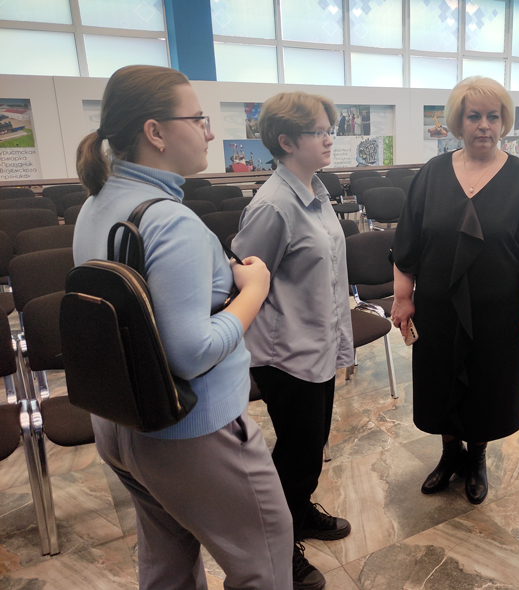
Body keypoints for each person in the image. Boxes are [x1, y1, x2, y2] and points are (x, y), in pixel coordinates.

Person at [73, 65, 293, 590]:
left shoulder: (96, 204)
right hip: (192, 433)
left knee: (167, 564)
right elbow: (190, 353)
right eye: (197, 119)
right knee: (264, 561)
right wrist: (254, 290)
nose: (208, 132)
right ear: (155, 132)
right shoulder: (170, 220)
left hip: (122, 423)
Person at [391, 76, 519, 505]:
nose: (484, 125)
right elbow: (407, 245)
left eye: (493, 117)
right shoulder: (431, 174)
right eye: (474, 116)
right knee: (441, 381)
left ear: (504, 122)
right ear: (457, 122)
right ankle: (450, 454)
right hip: (438, 309)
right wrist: (403, 298)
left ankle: (477, 457)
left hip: (497, 313)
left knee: (486, 385)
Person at [232, 91, 353, 590]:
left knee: (312, 444)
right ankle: (277, 547)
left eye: (330, 129)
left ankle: (297, 514)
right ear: (286, 141)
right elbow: (246, 278)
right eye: (319, 131)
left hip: (317, 343)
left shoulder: (315, 190)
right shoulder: (273, 206)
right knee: (299, 453)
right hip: (286, 354)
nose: (329, 139)